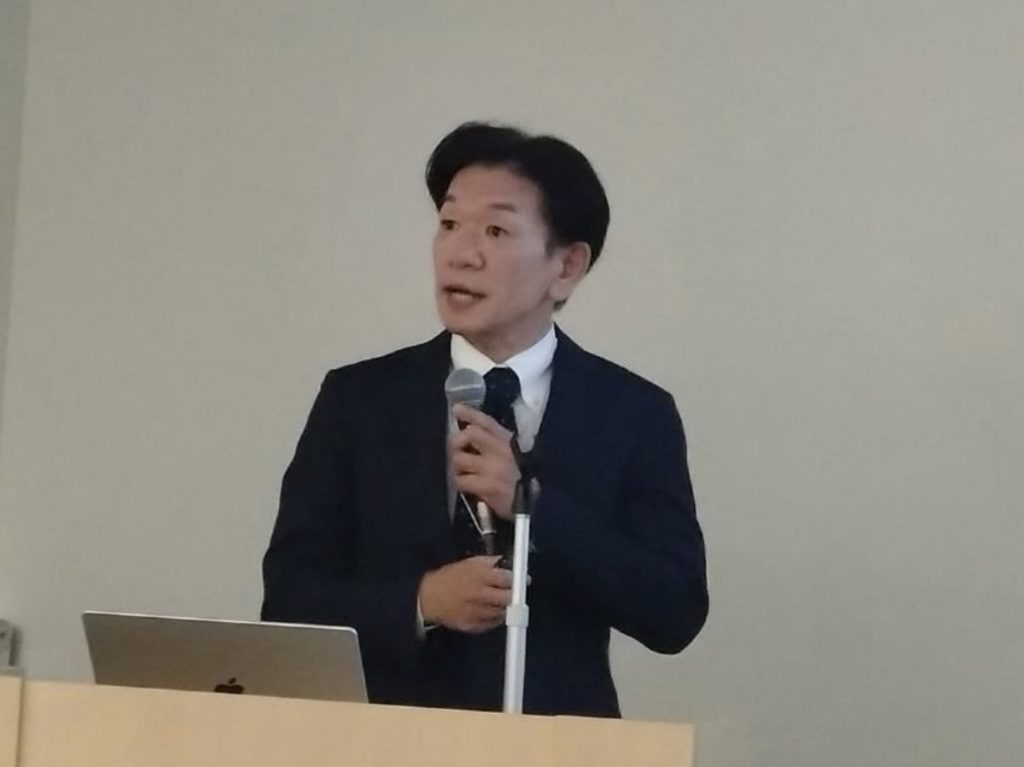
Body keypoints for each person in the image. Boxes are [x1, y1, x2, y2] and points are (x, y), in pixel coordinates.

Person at [261, 122, 708, 717]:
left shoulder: (632, 412)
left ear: (567, 266)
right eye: (449, 224)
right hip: (388, 739)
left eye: (495, 231)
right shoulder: (359, 399)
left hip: (558, 745)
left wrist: (535, 509)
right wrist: (422, 601)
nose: (460, 253)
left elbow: (675, 611)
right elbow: (288, 598)